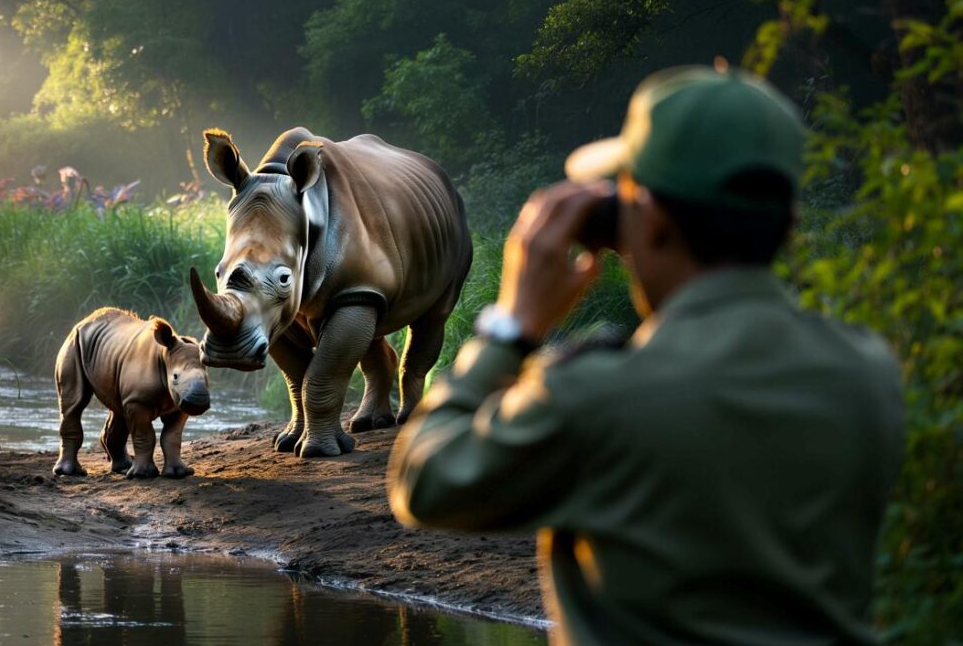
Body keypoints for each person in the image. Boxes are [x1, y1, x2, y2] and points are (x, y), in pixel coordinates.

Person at [386, 65, 906, 645]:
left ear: (648, 220)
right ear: (789, 225)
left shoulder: (596, 397)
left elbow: (424, 483)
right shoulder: (869, 373)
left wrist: (512, 326)